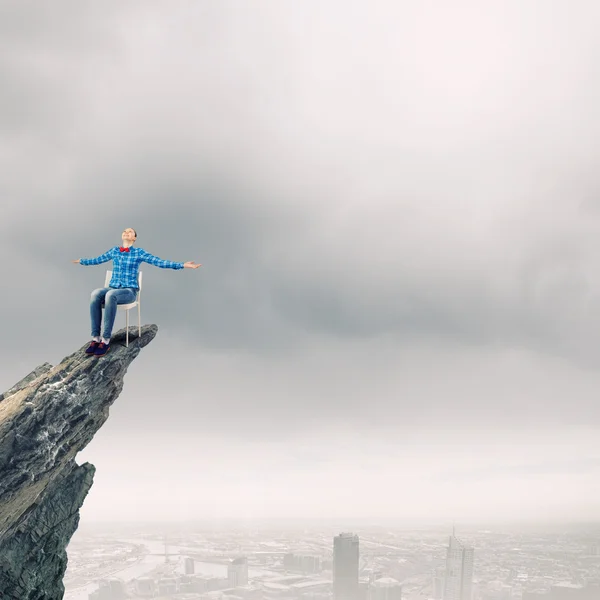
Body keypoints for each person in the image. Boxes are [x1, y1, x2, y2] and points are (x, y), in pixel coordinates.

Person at [73, 227, 201, 356]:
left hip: (129, 291)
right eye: (124, 231)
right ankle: (95, 338)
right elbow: (98, 259)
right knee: (95, 293)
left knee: (110, 295)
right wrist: (82, 261)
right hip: (113, 287)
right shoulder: (114, 251)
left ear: (134, 238)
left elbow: (159, 262)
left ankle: (105, 340)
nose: (126, 232)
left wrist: (182, 265)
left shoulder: (138, 252)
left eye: (130, 231)